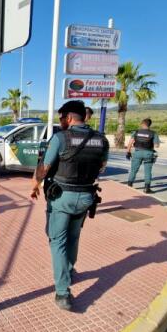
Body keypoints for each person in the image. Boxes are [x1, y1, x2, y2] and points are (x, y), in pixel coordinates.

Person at [31, 100, 109, 311]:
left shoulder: (60, 138)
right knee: (74, 236)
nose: (61, 121)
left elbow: (45, 168)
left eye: (61, 118)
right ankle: (69, 270)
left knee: (57, 241)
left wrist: (35, 184)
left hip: (61, 198)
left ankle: (63, 293)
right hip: (86, 197)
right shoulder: (101, 140)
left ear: (69, 117)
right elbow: (102, 166)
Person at [126, 118, 160, 193]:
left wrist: (128, 152)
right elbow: (157, 145)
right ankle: (147, 188)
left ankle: (129, 185)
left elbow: (130, 143)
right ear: (149, 125)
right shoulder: (153, 133)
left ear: (142, 124)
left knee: (134, 170)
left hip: (137, 152)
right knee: (148, 171)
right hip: (148, 153)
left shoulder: (136, 132)